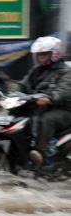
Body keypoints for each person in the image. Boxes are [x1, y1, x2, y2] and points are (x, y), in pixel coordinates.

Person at [18, 36, 71, 168]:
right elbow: (22, 84)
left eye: (44, 54)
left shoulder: (65, 72)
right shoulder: (36, 70)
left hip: (63, 110)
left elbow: (63, 90)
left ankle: (40, 153)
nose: (40, 58)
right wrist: (12, 93)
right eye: (39, 55)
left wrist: (50, 98)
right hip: (39, 106)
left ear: (54, 54)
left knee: (47, 119)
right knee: (19, 115)